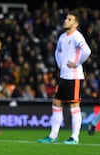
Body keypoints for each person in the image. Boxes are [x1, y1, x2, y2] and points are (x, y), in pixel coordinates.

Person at [37, 11, 91, 144]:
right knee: (56, 103)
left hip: (74, 77)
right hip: (63, 76)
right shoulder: (62, 37)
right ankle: (53, 136)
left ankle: (74, 137)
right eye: (66, 18)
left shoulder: (77, 36)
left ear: (76, 24)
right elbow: (57, 51)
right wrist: (60, 63)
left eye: (70, 19)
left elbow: (87, 51)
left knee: (74, 105)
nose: (66, 21)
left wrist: (76, 63)